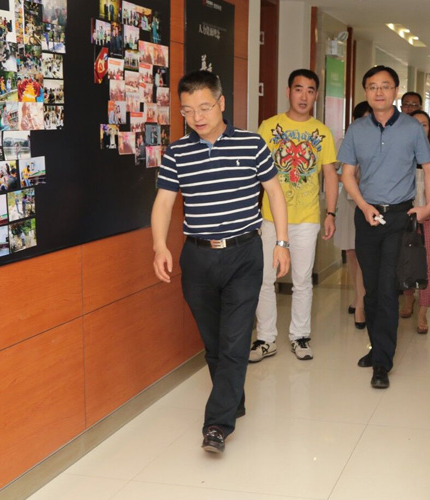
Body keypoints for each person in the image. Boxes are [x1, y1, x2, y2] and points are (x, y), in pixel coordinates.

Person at [150, 70, 290, 454]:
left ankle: (217, 424)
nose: (197, 117)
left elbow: (275, 193)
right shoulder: (177, 152)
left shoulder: (251, 143)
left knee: (233, 340)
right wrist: (159, 246)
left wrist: (281, 242)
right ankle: (233, 400)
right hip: (197, 257)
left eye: (205, 107)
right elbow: (164, 202)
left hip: (244, 254)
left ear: (221, 103)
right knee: (213, 341)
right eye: (188, 110)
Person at [338, 66, 430, 389]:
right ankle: (377, 347)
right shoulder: (356, 129)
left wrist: (427, 205)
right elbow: (347, 175)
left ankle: (382, 361)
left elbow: (429, 169)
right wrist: (363, 205)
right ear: (366, 91)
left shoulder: (412, 128)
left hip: (399, 218)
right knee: (370, 287)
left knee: (386, 288)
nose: (378, 92)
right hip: (367, 216)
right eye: (372, 86)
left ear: (395, 91)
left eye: (385, 86)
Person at [249, 69, 338, 363]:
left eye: (310, 91)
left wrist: (331, 212)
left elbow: (330, 175)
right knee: (265, 278)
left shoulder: (322, 132)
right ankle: (266, 338)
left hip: (306, 218)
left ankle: (300, 336)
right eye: (299, 89)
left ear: (316, 95)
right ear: (288, 92)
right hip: (270, 217)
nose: (304, 96)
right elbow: (253, 171)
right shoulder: (269, 126)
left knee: (302, 280)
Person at [400, 110, 430, 333]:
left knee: (428, 264)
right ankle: (408, 299)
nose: (420, 128)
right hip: (407, 213)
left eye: (424, 125)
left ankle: (423, 312)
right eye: (416, 124)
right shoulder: (401, 150)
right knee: (407, 259)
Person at [333, 101, 371, 329]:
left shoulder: (376, 142)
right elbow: (332, 172)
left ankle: (361, 304)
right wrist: (348, 178)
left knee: (364, 253)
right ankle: (359, 296)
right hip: (348, 203)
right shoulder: (344, 142)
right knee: (351, 251)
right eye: (361, 119)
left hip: (368, 203)